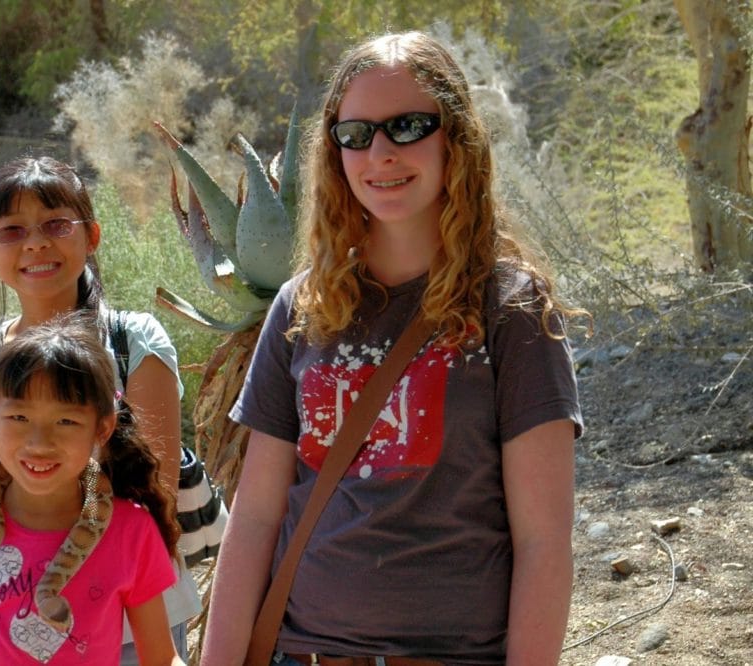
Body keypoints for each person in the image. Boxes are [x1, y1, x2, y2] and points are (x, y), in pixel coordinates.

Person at [201, 30, 584, 666]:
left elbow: (544, 541)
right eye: (356, 135)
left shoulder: (512, 309)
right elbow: (256, 518)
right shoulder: (301, 307)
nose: (380, 153)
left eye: (407, 126)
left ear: (454, 137)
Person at [0, 156, 200, 662]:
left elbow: (154, 488)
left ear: (92, 236)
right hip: (10, 616)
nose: (35, 243)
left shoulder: (132, 341)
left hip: (127, 615)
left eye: (56, 224)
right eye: (12, 230)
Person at [0, 316, 186, 665]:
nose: (40, 443)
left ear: (102, 428)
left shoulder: (130, 532)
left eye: (66, 421)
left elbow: (162, 659)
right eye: (19, 418)